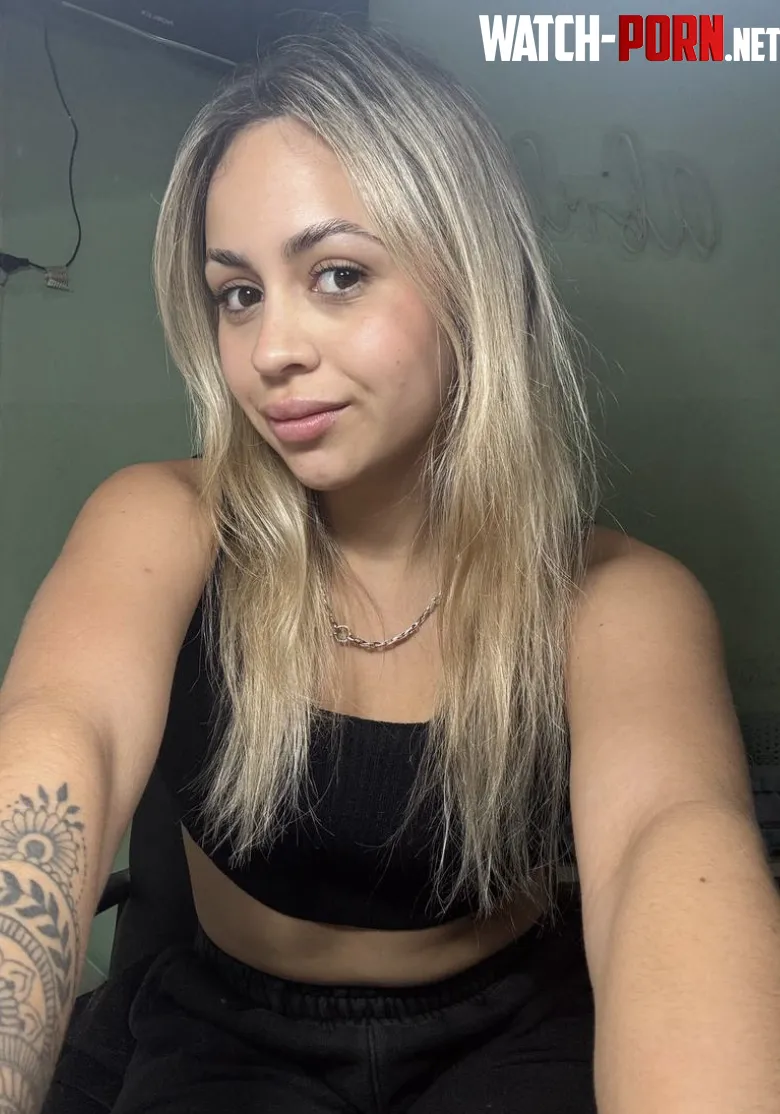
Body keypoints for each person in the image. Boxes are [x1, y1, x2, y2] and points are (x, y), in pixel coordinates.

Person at [1, 17, 778, 1114]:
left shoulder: (618, 600)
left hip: (511, 1028)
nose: (271, 351)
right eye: (238, 294)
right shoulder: (162, 521)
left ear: (469, 278)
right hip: (227, 1027)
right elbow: (55, 739)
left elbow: (674, 850)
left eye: (338, 274)